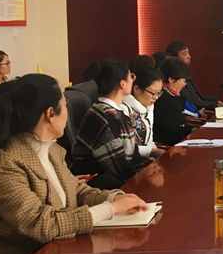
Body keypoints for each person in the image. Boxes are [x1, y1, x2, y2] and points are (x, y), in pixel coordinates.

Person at [0, 74, 148, 254]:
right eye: (65, 105)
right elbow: (39, 224)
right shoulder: (5, 164)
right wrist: (110, 209)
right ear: (50, 114)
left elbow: (75, 191)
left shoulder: (51, 150)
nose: (68, 111)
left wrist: (114, 198)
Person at [71, 60, 146, 188]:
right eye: (131, 77)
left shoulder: (116, 112)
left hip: (116, 178)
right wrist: (141, 183)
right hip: (98, 183)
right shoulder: (102, 116)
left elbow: (133, 153)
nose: (133, 80)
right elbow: (118, 166)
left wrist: (143, 174)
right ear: (122, 84)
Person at [122, 65, 166, 158]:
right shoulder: (123, 109)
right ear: (136, 89)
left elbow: (149, 140)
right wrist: (152, 151)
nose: (156, 97)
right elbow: (125, 147)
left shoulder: (149, 106)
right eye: (153, 93)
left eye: (159, 93)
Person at [165, 40, 220, 111]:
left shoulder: (186, 74)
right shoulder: (176, 78)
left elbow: (199, 96)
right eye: (185, 54)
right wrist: (215, 105)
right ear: (174, 57)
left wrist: (217, 102)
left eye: (188, 53)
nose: (189, 56)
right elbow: (191, 101)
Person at [153, 58, 196, 146]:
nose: (183, 86)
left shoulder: (171, 96)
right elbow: (169, 133)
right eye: (183, 81)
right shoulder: (162, 100)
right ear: (171, 79)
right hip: (172, 147)